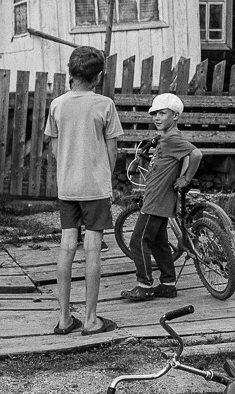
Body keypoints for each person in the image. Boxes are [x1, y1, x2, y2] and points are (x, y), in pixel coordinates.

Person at [45, 45, 123, 336]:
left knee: (66, 247)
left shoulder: (57, 105)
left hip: (68, 188)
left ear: (70, 72)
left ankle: (64, 318)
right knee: (92, 251)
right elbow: (112, 151)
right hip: (95, 187)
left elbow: (54, 148)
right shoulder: (104, 105)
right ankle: (90, 319)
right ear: (98, 76)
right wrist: (105, 178)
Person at [121, 93, 203, 301]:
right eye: (154, 113)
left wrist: (186, 178)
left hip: (157, 201)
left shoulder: (173, 138)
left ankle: (145, 285)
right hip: (157, 197)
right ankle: (167, 284)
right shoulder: (165, 139)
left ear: (175, 116)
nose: (157, 117)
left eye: (162, 113)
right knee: (158, 243)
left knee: (138, 241)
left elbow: (196, 154)